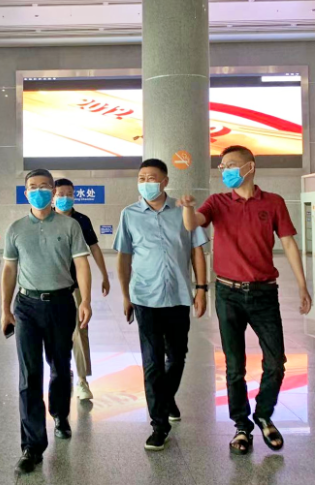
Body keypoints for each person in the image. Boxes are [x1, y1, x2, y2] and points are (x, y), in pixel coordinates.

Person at [180, 145, 312, 455]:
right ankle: (242, 426)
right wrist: (188, 207)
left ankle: (263, 414)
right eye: (222, 165)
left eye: (231, 164)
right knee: (234, 365)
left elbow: (289, 244)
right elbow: (193, 222)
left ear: (250, 166)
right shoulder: (218, 202)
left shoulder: (274, 202)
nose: (225, 170)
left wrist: (303, 285)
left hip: (264, 293)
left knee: (276, 362)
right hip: (228, 294)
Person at [1, 168, 92, 475]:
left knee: (60, 367)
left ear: (53, 192)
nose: (38, 191)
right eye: (33, 187)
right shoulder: (15, 229)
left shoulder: (70, 226)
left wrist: (86, 301)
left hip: (61, 304)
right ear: (25, 192)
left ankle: (60, 413)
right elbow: (9, 270)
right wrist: (5, 309)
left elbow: (82, 264)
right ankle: (32, 446)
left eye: (44, 186)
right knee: (29, 375)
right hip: (26, 306)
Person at [114, 159, 209, 452]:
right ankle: (159, 424)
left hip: (178, 296)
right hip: (145, 298)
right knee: (152, 362)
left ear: (165, 181)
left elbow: (197, 251)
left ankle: (165, 399)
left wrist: (202, 289)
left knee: (177, 356)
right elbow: (123, 257)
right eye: (142, 177)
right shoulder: (129, 214)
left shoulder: (183, 212)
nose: (146, 182)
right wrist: (126, 295)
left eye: (152, 177)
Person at [53, 178, 110, 401]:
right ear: (53, 196)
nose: (65, 198)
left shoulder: (82, 220)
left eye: (69, 194)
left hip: (75, 285)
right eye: (61, 194)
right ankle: (62, 369)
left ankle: (82, 380)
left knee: (80, 331)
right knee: (56, 333)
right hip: (51, 285)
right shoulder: (46, 219)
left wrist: (104, 274)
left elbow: (94, 248)